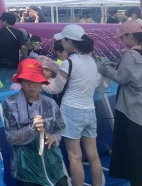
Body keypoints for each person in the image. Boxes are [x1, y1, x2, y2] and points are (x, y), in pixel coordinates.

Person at [42, 25, 102, 186]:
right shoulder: (91, 60)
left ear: (70, 42)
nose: (61, 42)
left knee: (74, 156)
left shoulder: (68, 63)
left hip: (71, 111)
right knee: (93, 155)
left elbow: (55, 88)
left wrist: (41, 80)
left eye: (63, 39)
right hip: (89, 110)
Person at [3, 59, 68, 186]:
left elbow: (59, 128)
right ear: (20, 81)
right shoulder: (11, 104)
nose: (31, 85)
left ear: (42, 81)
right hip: (27, 171)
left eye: (35, 80)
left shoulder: (50, 103)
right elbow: (10, 137)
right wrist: (31, 129)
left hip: (53, 167)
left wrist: (54, 137)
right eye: (27, 80)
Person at [97, 20, 142, 185]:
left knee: (134, 152)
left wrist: (104, 66)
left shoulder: (131, 55)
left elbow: (121, 78)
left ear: (131, 35)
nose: (121, 40)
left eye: (123, 37)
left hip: (131, 110)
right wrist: (119, 66)